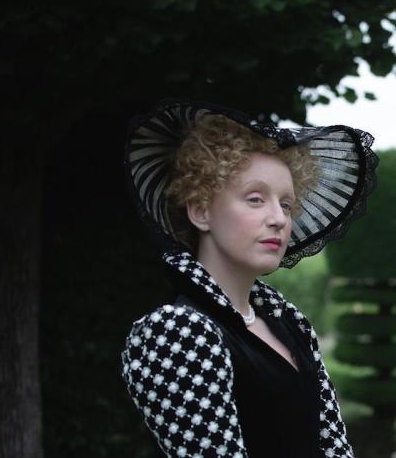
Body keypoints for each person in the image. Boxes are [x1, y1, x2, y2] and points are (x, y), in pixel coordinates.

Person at [119, 100, 377, 457]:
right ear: (200, 211)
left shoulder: (288, 323)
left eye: (286, 205)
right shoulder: (177, 331)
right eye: (256, 199)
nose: (278, 219)